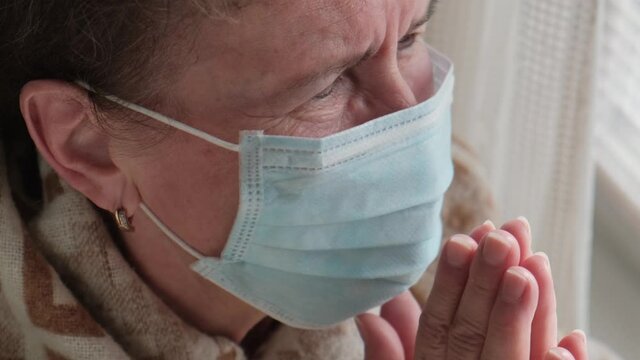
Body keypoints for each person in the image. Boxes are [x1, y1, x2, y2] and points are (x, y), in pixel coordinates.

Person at [0, 0, 588, 358]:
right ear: (89, 146)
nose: (409, 118)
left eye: (408, 37)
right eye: (327, 86)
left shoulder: (461, 220)